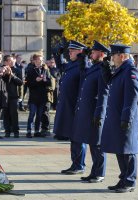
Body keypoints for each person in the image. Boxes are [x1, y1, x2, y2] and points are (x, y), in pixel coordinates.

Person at [100, 44, 138, 193]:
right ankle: (123, 178)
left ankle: (129, 181)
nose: (112, 58)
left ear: (122, 56)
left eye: (114, 55)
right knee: (120, 148)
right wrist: (104, 69)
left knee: (128, 150)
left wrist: (127, 117)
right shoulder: (120, 70)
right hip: (117, 116)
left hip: (125, 117)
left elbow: (131, 97)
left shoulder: (130, 71)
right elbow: (110, 83)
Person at [72, 41, 109, 183]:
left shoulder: (102, 69)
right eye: (91, 52)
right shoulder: (94, 68)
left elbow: (103, 94)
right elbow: (83, 71)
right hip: (89, 112)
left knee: (98, 144)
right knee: (93, 142)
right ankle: (94, 172)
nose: (91, 54)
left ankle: (99, 173)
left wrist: (99, 114)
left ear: (101, 54)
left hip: (96, 112)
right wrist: (83, 57)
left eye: (93, 52)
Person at [54, 40, 88, 174]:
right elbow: (61, 66)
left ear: (80, 52)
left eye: (72, 51)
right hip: (68, 106)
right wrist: (58, 55)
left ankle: (80, 165)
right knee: (73, 137)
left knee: (78, 137)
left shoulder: (82, 65)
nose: (69, 53)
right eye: (69, 51)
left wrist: (83, 57)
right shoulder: (72, 65)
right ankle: (75, 163)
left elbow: (84, 70)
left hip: (76, 107)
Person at [26, 54, 51, 138]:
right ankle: (29, 131)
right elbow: (28, 84)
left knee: (39, 115)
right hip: (34, 96)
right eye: (39, 60)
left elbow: (50, 82)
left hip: (43, 96)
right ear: (34, 61)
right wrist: (36, 80)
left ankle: (37, 131)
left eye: (41, 60)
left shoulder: (45, 69)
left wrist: (45, 80)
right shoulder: (30, 70)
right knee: (32, 114)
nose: (40, 62)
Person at [3, 55, 23, 138]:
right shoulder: (1, 69)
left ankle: (16, 131)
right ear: (6, 62)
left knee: (14, 114)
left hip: (13, 96)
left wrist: (12, 75)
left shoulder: (17, 70)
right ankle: (7, 131)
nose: (12, 62)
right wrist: (4, 73)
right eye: (10, 61)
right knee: (6, 114)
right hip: (4, 95)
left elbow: (20, 82)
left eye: (13, 60)